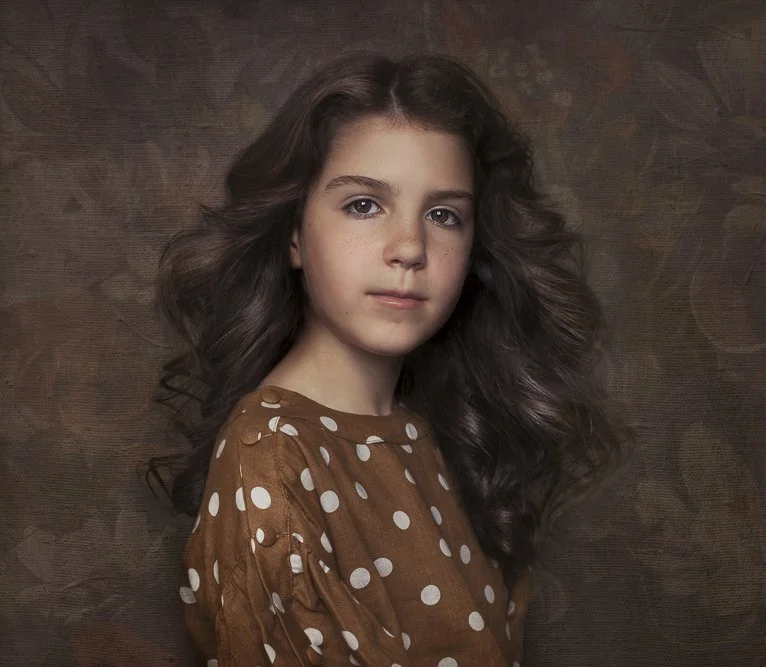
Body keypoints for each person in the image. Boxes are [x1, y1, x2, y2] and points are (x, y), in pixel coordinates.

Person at [148, 51, 633, 666]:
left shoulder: (434, 430)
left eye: (443, 215)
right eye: (363, 205)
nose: (409, 247)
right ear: (294, 234)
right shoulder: (269, 459)